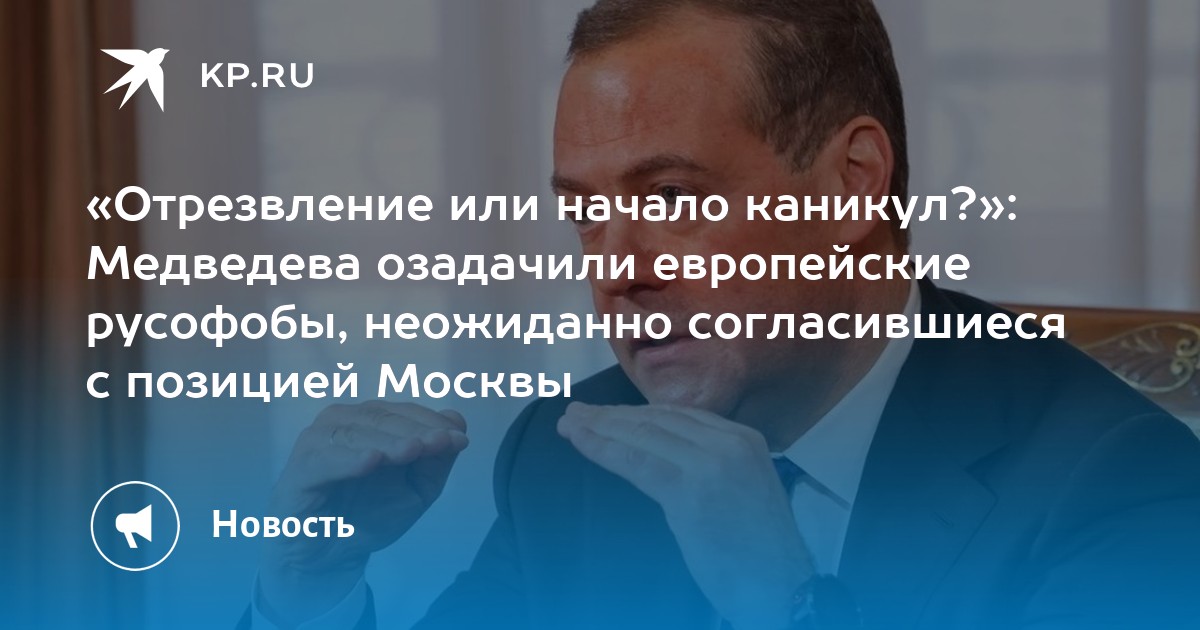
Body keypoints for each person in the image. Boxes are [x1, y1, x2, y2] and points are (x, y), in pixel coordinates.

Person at [246, 1, 1200, 628]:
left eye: (669, 199)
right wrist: (308, 586)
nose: (615, 271)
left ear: (851, 184)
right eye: (586, 215)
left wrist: (783, 603)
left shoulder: (1121, 481)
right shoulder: (573, 454)